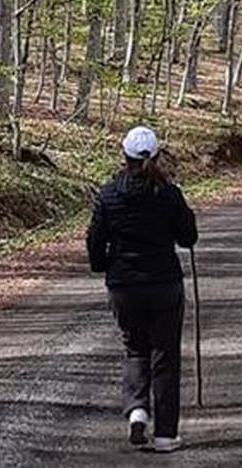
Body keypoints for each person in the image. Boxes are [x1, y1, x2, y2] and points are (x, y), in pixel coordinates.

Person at [86, 126, 198, 453]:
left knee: (135, 348)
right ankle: (165, 434)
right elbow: (188, 238)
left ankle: (137, 410)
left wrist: (103, 264)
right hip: (164, 284)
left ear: (125, 157)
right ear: (157, 156)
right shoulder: (169, 193)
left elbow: (95, 240)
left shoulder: (108, 194)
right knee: (165, 355)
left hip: (124, 287)